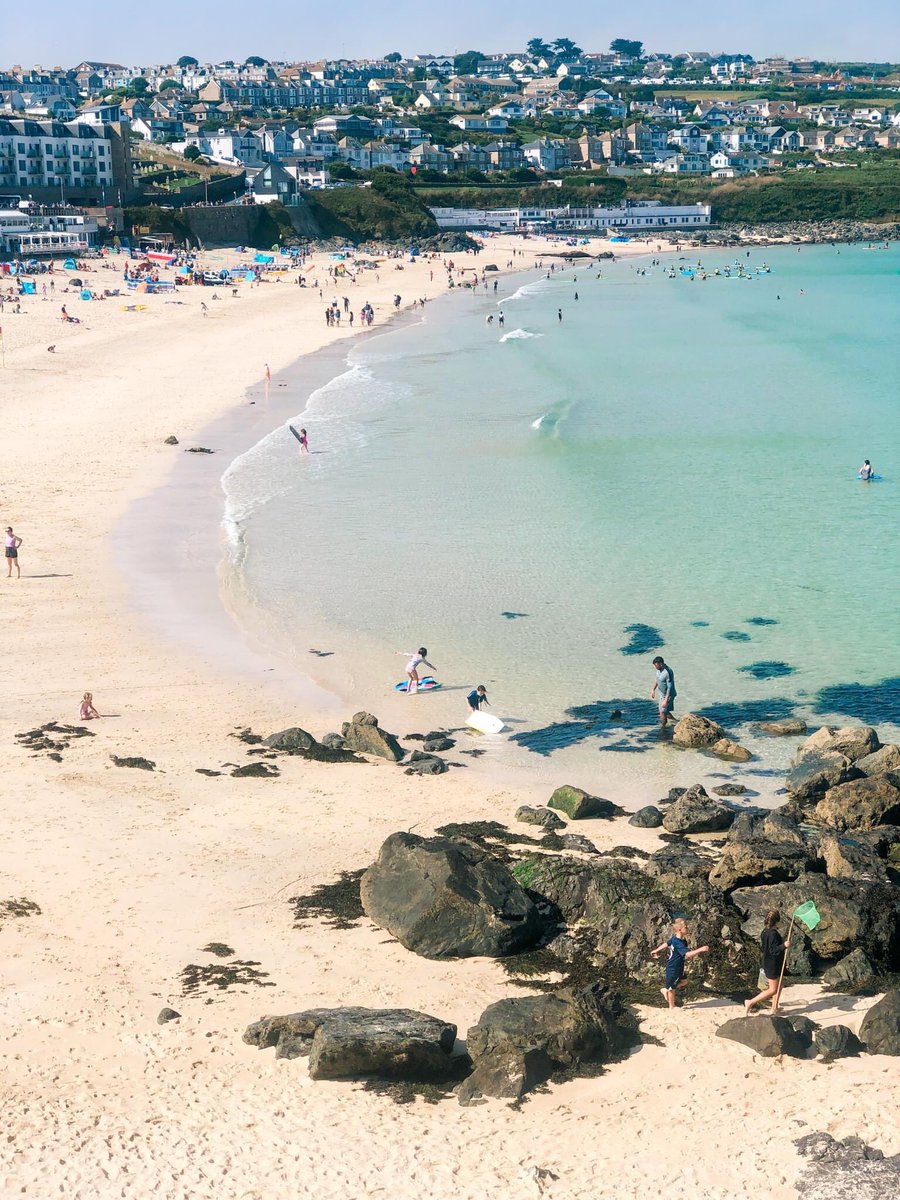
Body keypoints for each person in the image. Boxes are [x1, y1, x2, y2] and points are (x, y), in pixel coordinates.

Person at [650, 919, 710, 1009]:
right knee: (672, 989)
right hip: (673, 967)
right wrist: (701, 949)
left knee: (684, 981)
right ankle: (671, 1007)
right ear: (680, 930)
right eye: (685, 927)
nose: (687, 928)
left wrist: (656, 950)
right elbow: (688, 955)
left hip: (679, 966)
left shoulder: (677, 939)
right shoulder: (678, 942)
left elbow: (666, 943)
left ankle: (666, 990)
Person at [745, 910, 791, 1016]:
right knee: (773, 989)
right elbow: (773, 950)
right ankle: (750, 1002)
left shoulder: (765, 931)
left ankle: (774, 1008)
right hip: (772, 965)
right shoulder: (773, 933)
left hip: (769, 962)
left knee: (780, 985)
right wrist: (784, 945)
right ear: (777, 922)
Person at [650, 655, 676, 726]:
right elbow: (657, 679)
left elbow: (669, 687)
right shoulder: (658, 670)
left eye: (656, 665)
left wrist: (666, 700)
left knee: (662, 712)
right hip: (661, 694)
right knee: (664, 711)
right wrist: (653, 690)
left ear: (661, 664)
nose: (655, 667)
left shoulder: (668, 672)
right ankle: (675, 721)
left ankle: (663, 728)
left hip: (668, 695)